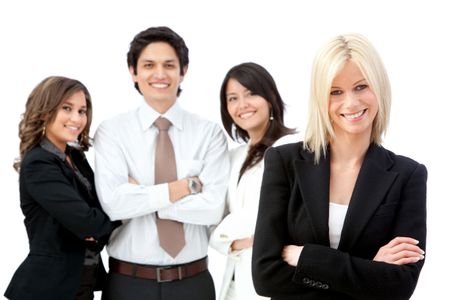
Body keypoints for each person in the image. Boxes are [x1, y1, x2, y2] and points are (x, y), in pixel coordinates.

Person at [252, 33, 427, 300]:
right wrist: (369, 268)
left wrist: (306, 257)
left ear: (378, 87)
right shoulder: (284, 162)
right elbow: (266, 278)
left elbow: (400, 286)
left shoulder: (407, 175)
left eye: (361, 86)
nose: (351, 103)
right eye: (335, 92)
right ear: (320, 98)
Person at [94, 26, 230, 300]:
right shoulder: (111, 132)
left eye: (169, 65)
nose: (159, 74)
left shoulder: (209, 133)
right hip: (128, 284)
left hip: (193, 283)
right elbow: (114, 204)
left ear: (183, 71)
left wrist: (143, 196)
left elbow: (213, 209)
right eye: (148, 65)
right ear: (133, 72)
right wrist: (185, 187)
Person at [4, 76, 119, 300]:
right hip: (48, 289)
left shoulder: (75, 156)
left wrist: (94, 227)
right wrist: (116, 214)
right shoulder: (39, 163)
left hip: (82, 283)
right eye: (67, 108)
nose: (77, 118)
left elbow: (99, 208)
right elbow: (89, 221)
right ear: (45, 111)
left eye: (82, 111)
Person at [210, 62, 297, 300]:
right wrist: (233, 241)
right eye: (233, 98)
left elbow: (272, 214)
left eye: (251, 93)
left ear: (270, 98)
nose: (242, 105)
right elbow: (210, 218)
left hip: (274, 280)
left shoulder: (293, 149)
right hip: (232, 283)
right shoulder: (232, 157)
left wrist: (225, 233)